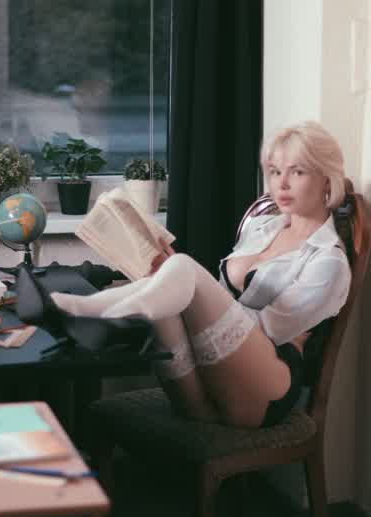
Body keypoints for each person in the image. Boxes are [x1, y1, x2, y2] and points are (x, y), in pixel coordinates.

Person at [50, 121, 351, 429]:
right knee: (168, 282)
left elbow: (268, 331)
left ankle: (89, 311)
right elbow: (219, 307)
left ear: (327, 180)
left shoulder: (329, 260)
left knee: (181, 269)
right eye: (274, 172)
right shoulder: (261, 227)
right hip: (210, 388)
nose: (281, 184)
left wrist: (186, 284)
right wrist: (172, 282)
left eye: (297, 172)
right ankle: (97, 312)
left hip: (265, 390)